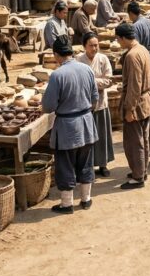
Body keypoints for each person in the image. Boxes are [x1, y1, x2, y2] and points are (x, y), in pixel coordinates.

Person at [43, 36, 99, 213]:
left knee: (65, 164)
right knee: (86, 162)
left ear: (56, 54)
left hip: (67, 126)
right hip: (86, 123)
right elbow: (95, 98)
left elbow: (48, 106)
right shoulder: (87, 69)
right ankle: (86, 199)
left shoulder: (57, 75)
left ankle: (67, 204)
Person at [116, 22, 150, 189]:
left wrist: (129, 109)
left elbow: (134, 85)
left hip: (137, 103)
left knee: (134, 142)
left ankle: (138, 177)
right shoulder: (143, 49)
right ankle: (141, 171)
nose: (118, 43)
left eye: (118, 39)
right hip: (145, 100)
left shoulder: (132, 55)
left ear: (123, 38)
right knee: (142, 139)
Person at [77, 32, 115, 177]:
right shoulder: (79, 60)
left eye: (96, 45)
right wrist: (97, 82)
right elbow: (78, 81)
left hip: (100, 104)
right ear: (84, 46)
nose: (94, 48)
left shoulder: (103, 59)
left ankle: (103, 164)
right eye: (91, 45)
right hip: (85, 105)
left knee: (102, 136)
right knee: (86, 138)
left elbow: (109, 80)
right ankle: (87, 166)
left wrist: (91, 81)